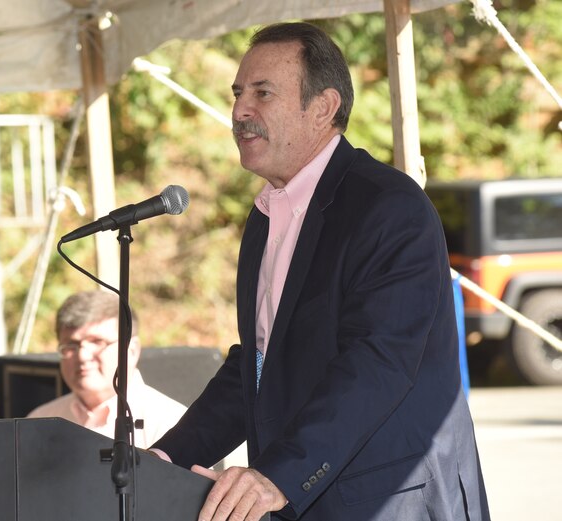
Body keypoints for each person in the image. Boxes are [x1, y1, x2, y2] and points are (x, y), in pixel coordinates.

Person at [151, 22, 490, 521]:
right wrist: (166, 459)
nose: (241, 111)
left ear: (324, 108)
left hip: (392, 501)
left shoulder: (389, 206)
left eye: (263, 93)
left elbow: (378, 361)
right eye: (239, 93)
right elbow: (258, 367)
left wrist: (278, 476)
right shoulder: (266, 217)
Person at [27, 290, 186, 449]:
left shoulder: (172, 423)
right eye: (71, 345)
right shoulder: (40, 421)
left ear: (131, 350)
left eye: (97, 342)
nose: (82, 355)